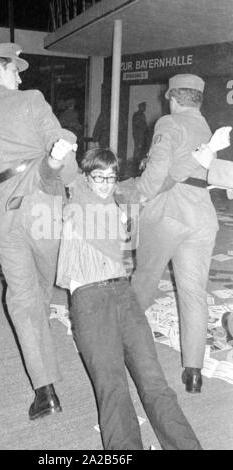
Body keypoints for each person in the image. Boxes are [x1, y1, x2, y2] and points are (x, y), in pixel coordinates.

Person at [0, 42, 78, 420]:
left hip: (1, 209)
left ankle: (45, 392)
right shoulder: (30, 100)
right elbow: (63, 147)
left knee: (23, 295)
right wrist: (74, 188)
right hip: (43, 198)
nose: (21, 76)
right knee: (78, 276)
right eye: (16, 69)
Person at [56, 147, 202, 450]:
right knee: (112, 387)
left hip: (124, 294)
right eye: (98, 177)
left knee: (155, 383)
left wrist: (204, 155)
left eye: (111, 177)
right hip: (89, 298)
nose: (105, 183)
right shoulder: (77, 195)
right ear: (86, 177)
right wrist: (62, 149)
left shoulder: (120, 197)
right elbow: (65, 171)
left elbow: (158, 181)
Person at [131, 74, 219, 394]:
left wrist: (138, 194)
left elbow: (156, 173)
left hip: (169, 213)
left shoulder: (169, 122)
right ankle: (193, 372)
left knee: (143, 282)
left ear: (172, 97)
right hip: (202, 217)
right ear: (198, 99)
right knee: (193, 293)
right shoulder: (205, 126)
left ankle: (118, 345)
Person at [132, 101, 149, 176]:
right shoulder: (137, 115)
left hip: (142, 135)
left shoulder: (142, 114)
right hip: (139, 135)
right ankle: (136, 166)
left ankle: (138, 166)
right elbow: (140, 125)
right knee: (138, 149)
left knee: (141, 150)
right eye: (143, 107)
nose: (144, 108)